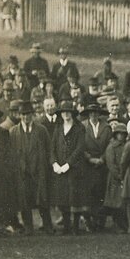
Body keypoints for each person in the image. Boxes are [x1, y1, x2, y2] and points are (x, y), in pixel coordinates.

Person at [10, 100, 53, 234]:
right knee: (24, 200)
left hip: (39, 170)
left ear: (33, 115)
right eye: (23, 114)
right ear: (19, 115)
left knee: (43, 199)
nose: (26, 117)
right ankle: (28, 227)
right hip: (22, 172)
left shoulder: (41, 130)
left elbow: (48, 149)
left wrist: (46, 167)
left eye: (28, 114)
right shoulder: (14, 132)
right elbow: (11, 153)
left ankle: (47, 226)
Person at [50, 100, 88, 235]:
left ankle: (76, 228)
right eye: (63, 112)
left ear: (72, 113)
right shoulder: (58, 129)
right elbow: (52, 148)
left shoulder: (79, 128)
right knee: (63, 198)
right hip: (60, 169)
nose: (66, 114)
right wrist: (54, 163)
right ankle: (66, 227)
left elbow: (80, 148)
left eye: (68, 112)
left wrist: (68, 164)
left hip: (75, 169)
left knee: (75, 199)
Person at [81, 102, 112, 231]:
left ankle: (100, 222)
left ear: (99, 114)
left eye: (96, 112)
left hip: (102, 164)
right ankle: (89, 221)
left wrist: (102, 158)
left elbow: (110, 144)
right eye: (91, 113)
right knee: (89, 194)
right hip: (88, 165)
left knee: (101, 192)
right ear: (88, 114)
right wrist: (89, 158)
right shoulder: (82, 127)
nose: (93, 115)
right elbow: (80, 146)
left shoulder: (106, 127)